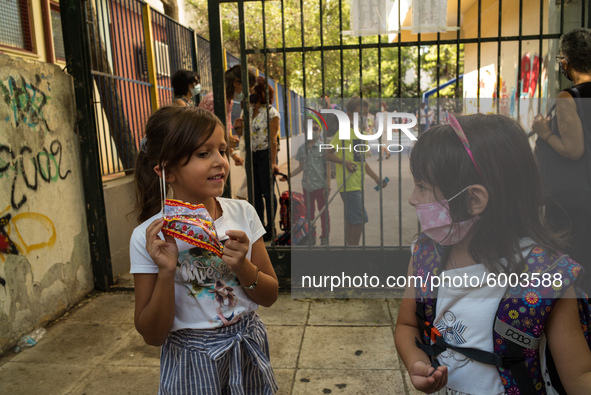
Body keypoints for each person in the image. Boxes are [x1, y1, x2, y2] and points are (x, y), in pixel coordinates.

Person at [395, 113, 591, 394]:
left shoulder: (547, 280)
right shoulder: (425, 257)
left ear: (474, 199)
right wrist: (417, 364)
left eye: (423, 187)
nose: (413, 198)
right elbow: (406, 324)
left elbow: (579, 376)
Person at [130, 106, 279, 394]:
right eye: (203, 153)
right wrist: (166, 272)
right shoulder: (149, 238)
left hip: (247, 346)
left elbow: (270, 295)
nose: (219, 162)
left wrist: (243, 267)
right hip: (191, 360)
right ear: (167, 171)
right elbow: (152, 334)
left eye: (221, 150)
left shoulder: (243, 213)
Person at [532, 27, 591, 293]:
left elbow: (573, 149)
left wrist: (544, 132)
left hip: (573, 203)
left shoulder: (570, 97)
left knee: (571, 267)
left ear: (565, 62)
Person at [326, 96, 388, 246]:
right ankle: (353, 251)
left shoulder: (362, 134)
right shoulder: (343, 133)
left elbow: (362, 162)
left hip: (357, 184)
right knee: (360, 219)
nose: (364, 117)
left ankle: (349, 249)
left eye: (366, 114)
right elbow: (328, 154)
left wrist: (376, 178)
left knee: (352, 220)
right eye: (360, 113)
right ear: (348, 115)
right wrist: (345, 162)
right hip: (348, 185)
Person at [234, 77, 280, 240]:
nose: (250, 94)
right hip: (251, 155)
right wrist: (238, 128)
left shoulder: (272, 113)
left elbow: (274, 139)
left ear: (261, 92)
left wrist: (273, 162)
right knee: (255, 193)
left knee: (268, 193)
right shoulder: (247, 110)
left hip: (266, 155)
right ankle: (260, 227)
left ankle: (271, 227)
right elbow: (243, 135)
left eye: (253, 90)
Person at [199, 64, 255, 166]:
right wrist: (226, 140)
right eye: (247, 88)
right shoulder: (215, 100)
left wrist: (233, 154)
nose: (248, 93)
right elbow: (203, 135)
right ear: (236, 83)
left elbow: (222, 132)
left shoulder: (229, 101)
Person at [291, 122, 330, 245]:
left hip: (320, 186)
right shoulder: (302, 149)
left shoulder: (323, 147)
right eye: (310, 129)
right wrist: (288, 175)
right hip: (307, 187)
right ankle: (311, 235)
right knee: (309, 214)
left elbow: (327, 168)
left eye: (315, 128)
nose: (313, 131)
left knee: (324, 213)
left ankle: (325, 236)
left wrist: (327, 185)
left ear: (319, 130)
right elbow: (300, 167)